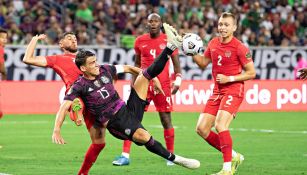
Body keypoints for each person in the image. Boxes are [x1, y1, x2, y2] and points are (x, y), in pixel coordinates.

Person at [51, 23, 200, 174]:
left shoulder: (105, 69)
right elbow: (64, 106)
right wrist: (57, 129)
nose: (96, 65)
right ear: (83, 68)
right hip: (115, 122)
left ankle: (170, 47)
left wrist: (152, 78)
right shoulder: (79, 85)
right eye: (92, 64)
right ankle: (176, 159)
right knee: (144, 137)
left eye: (95, 61)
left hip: (126, 109)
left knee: (144, 75)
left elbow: (128, 68)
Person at [112, 13, 182, 166]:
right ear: (147, 23)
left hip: (163, 86)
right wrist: (133, 82)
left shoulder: (168, 40)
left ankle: (169, 156)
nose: (153, 23)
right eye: (150, 21)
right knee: (132, 119)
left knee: (165, 119)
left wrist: (178, 79)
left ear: (161, 23)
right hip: (144, 83)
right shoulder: (139, 41)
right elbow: (136, 64)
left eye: (156, 21)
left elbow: (176, 63)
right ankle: (125, 156)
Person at [22, 32, 97, 174]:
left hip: (94, 94)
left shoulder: (86, 58)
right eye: (69, 38)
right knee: (75, 100)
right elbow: (28, 59)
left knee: (100, 140)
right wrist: (34, 40)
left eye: (75, 38)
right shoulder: (57, 59)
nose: (73, 39)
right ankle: (77, 112)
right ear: (61, 44)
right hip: (76, 93)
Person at [191, 12, 256, 175]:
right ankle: (234, 156)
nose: (222, 27)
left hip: (234, 90)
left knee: (220, 125)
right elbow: (203, 63)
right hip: (217, 90)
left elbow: (251, 73)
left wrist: (230, 78)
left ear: (234, 27)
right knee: (201, 129)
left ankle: (227, 169)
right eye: (220, 24)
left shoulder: (239, 47)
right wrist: (191, 51)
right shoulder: (213, 43)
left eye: (226, 25)